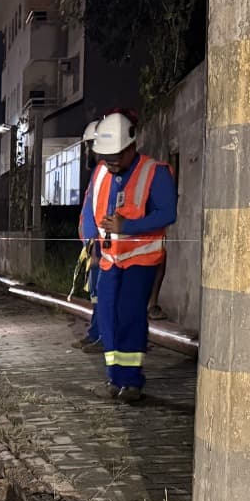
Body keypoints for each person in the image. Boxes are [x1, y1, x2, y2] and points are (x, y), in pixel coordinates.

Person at [86, 112, 176, 403]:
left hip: (140, 260)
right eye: (105, 155)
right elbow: (91, 207)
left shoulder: (154, 172)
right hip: (109, 259)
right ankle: (114, 376)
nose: (110, 161)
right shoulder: (101, 172)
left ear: (131, 147)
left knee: (130, 316)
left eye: (116, 156)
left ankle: (131, 380)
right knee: (108, 318)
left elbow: (167, 213)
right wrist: (89, 239)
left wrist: (128, 227)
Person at [77, 117, 105, 353]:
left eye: (89, 146)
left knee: (103, 294)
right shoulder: (99, 173)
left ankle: (103, 336)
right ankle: (96, 333)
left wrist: (96, 247)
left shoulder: (105, 173)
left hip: (101, 247)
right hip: (94, 246)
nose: (87, 151)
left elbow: (101, 211)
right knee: (96, 294)